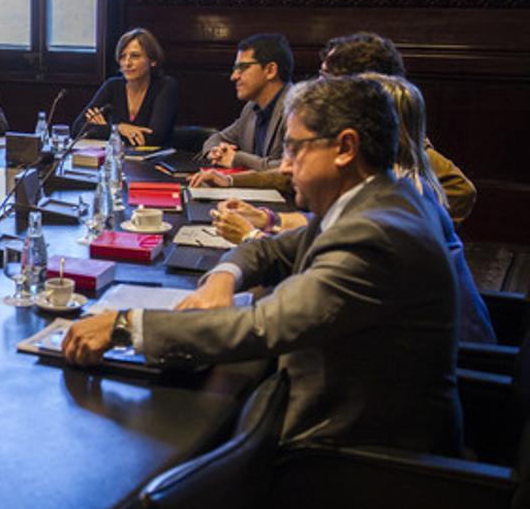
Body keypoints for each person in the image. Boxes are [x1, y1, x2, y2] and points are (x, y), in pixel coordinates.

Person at [64, 75, 463, 455]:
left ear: (345, 147)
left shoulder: (375, 234)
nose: (285, 167)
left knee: (155, 454)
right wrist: (223, 275)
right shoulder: (373, 198)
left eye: (294, 149)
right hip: (339, 419)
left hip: (358, 460)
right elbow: (273, 251)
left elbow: (262, 325)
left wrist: (124, 325)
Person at [210, 74, 496, 343]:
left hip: (464, 365)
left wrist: (251, 235)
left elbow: (287, 310)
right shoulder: (391, 188)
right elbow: (301, 239)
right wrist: (233, 265)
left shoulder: (388, 220)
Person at [190, 31, 477, 223]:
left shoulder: (395, 137)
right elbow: (288, 174)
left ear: (362, 85)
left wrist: (406, 218)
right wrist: (232, 181)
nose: (317, 85)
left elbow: (461, 190)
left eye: (327, 77)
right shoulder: (345, 129)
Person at [199, 33, 294, 170]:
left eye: (242, 68)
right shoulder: (251, 108)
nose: (234, 76)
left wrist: (238, 158)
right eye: (235, 69)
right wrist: (217, 152)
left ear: (270, 70)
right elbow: (216, 139)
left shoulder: (299, 109)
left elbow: (292, 168)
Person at [70, 28, 178, 146]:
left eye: (135, 56)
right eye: (122, 57)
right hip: (119, 160)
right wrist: (119, 128)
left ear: (152, 60)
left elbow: (154, 138)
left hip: (155, 162)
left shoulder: (165, 86)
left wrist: (104, 129)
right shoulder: (112, 86)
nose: (127, 63)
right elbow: (77, 129)